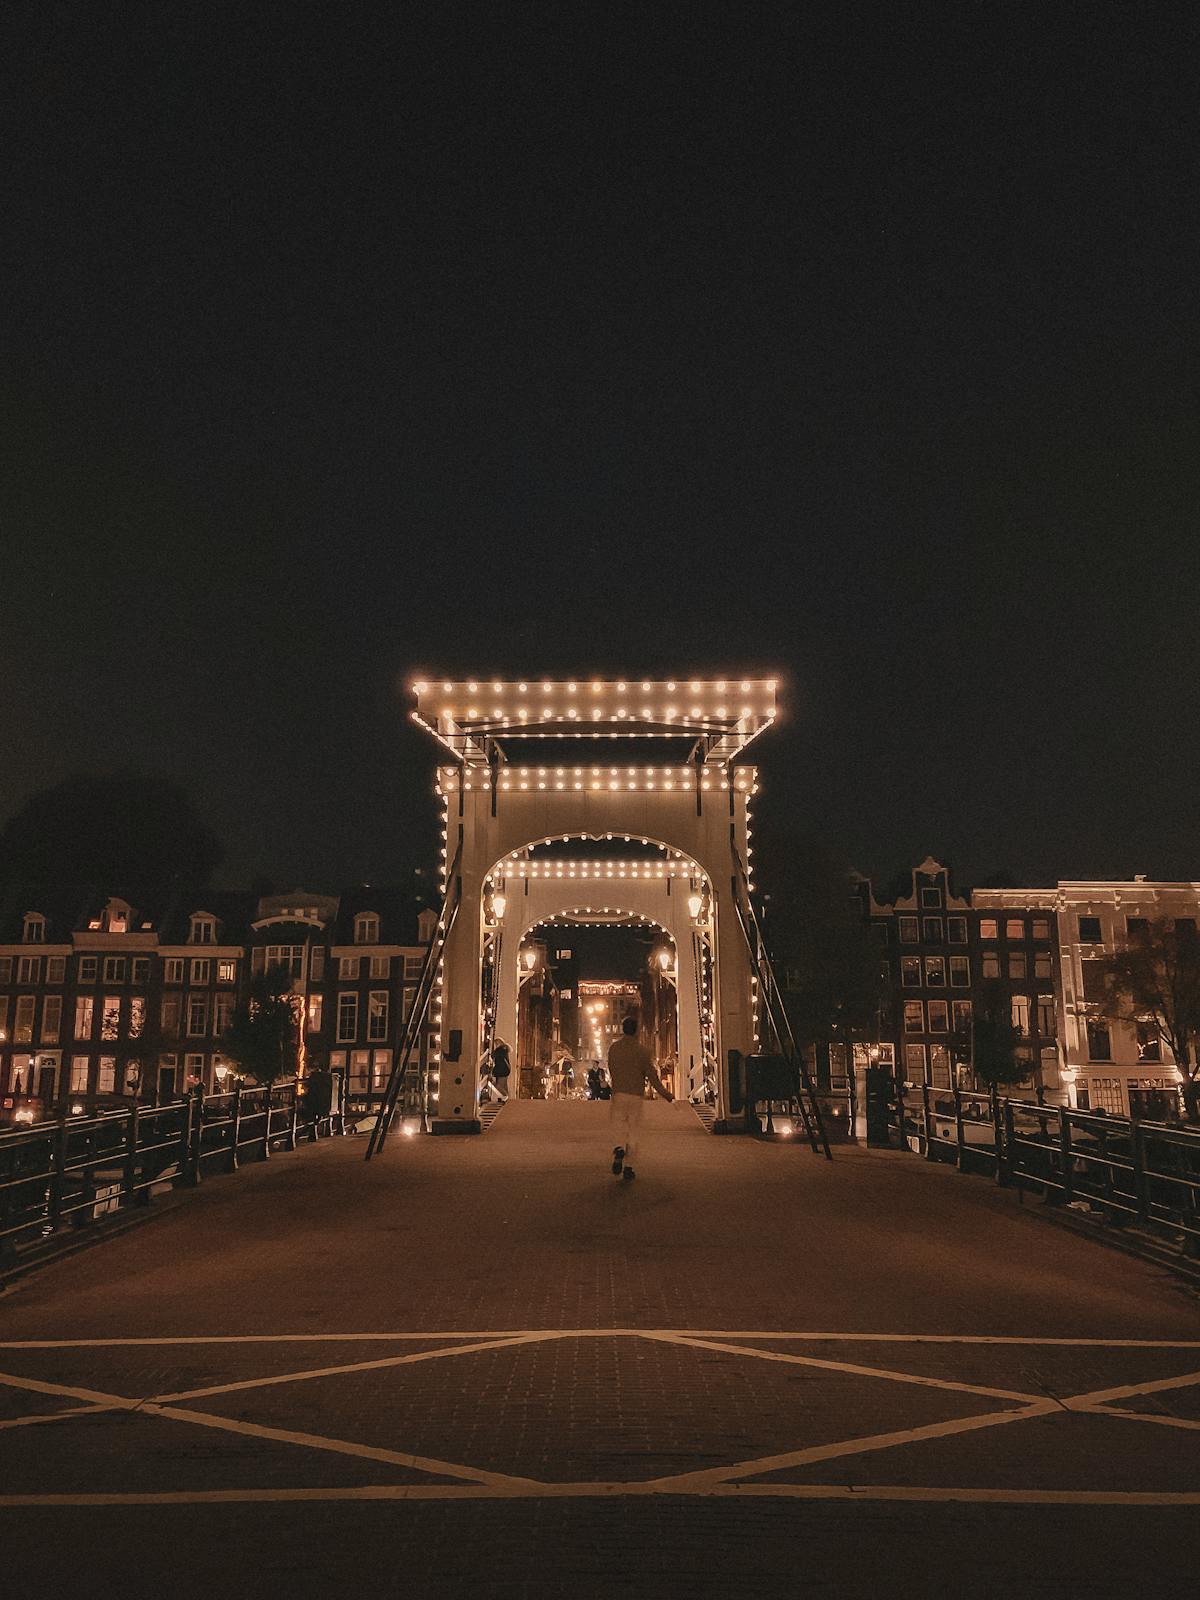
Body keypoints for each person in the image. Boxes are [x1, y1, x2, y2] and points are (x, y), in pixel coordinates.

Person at [607, 1015, 673, 1181]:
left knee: (618, 1124)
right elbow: (652, 1076)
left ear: (623, 1029)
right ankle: (629, 1167)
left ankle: (618, 1147)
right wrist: (666, 1094)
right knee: (634, 1130)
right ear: (636, 1031)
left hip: (619, 1093)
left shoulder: (614, 1049)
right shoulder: (643, 1052)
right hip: (636, 1095)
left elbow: (611, 1069)